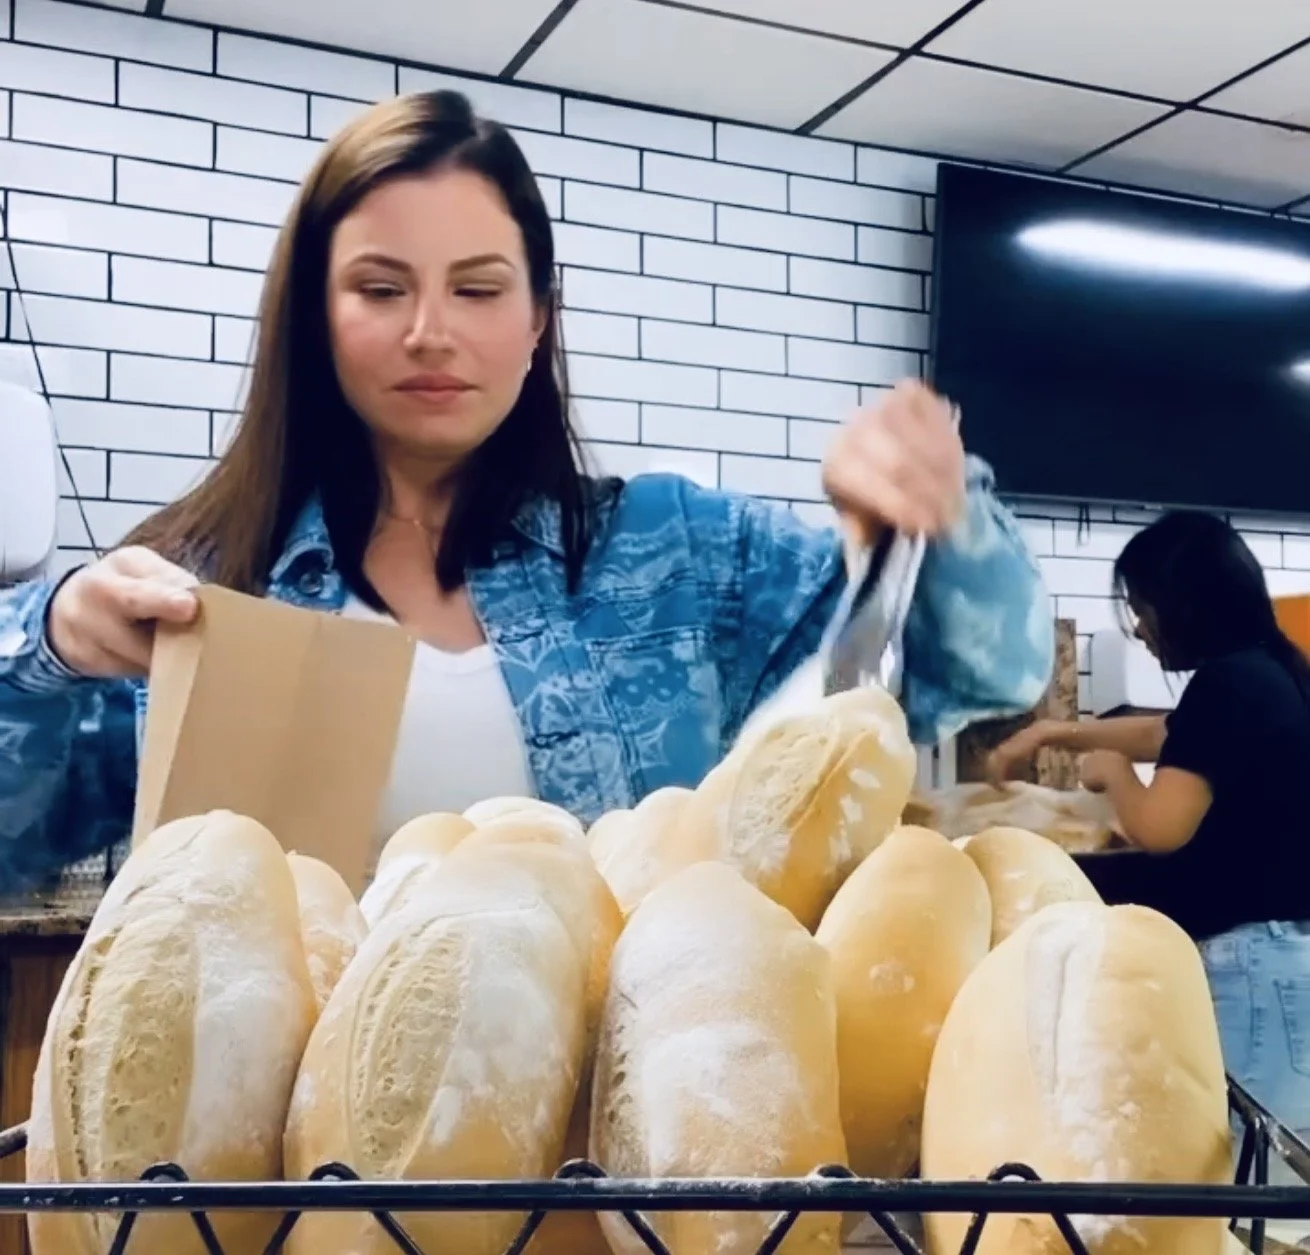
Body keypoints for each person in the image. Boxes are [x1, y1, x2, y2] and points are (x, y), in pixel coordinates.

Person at [0, 89, 1051, 890]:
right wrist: (48, 646)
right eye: (379, 288)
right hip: (283, 1173)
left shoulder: (678, 555)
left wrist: (936, 512)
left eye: (477, 288)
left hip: (622, 1159)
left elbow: (981, 671)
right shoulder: (202, 585)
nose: (430, 330)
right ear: (315, 315)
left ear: (538, 318)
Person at [989, 510, 1310, 1140]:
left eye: (1142, 606)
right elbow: (1168, 735)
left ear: (1186, 604)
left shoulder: (1230, 684)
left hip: (1249, 968)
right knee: (1267, 1182)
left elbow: (1162, 827)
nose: (1138, 627)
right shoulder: (1267, 671)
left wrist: (1114, 776)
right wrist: (1059, 732)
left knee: (1256, 1181)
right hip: (1278, 954)